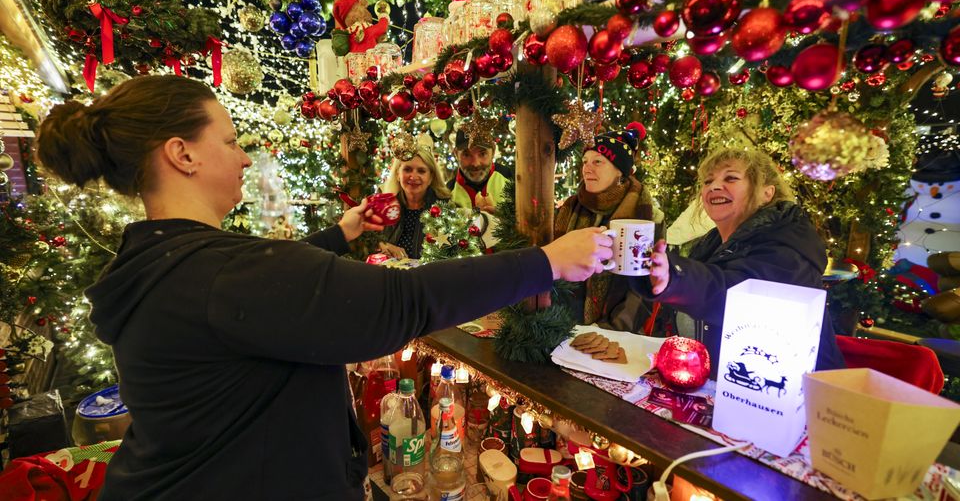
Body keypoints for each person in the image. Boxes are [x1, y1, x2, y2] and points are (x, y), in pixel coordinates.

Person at [35, 75, 612, 500]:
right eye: (231, 140)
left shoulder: (165, 260)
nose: (243, 156)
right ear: (181, 153)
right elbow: (401, 301)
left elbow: (258, 293)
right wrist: (545, 262)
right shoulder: (219, 272)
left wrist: (339, 234)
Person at [635, 146, 845, 374]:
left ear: (767, 193)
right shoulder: (711, 243)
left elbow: (737, 296)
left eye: (731, 178)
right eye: (708, 181)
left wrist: (675, 277)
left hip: (803, 399)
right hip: (724, 388)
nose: (714, 186)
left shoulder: (787, 246)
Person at [555, 129, 655, 329]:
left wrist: (612, 330)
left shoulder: (645, 216)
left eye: (597, 162)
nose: (587, 169)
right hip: (563, 325)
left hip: (616, 331)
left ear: (620, 170)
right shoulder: (569, 208)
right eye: (585, 161)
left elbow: (644, 288)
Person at [380, 139, 451, 259]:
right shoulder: (386, 207)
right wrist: (384, 245)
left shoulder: (446, 209)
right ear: (398, 174)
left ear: (431, 177)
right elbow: (369, 240)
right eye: (407, 169)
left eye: (421, 171)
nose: (413, 176)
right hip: (393, 275)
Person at [446, 128, 511, 213]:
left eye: (482, 154)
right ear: (456, 154)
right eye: (466, 155)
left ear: (493, 152)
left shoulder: (512, 180)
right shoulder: (447, 193)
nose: (475, 164)